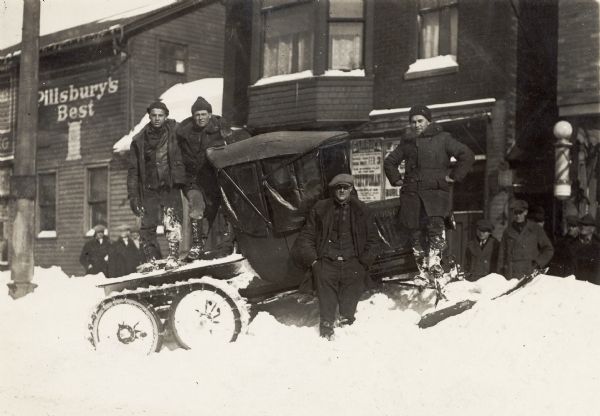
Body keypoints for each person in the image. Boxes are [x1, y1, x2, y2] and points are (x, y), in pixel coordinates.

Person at [383, 104, 474, 282]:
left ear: (429, 121)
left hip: (435, 196)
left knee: (435, 230)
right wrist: (397, 180)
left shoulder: (444, 139)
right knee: (415, 234)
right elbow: (389, 162)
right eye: (413, 122)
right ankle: (423, 270)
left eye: (420, 121)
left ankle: (436, 266)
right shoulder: (407, 143)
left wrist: (454, 176)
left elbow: (467, 155)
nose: (416, 125)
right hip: (412, 197)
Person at [292, 173, 381, 340]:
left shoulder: (362, 210)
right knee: (326, 299)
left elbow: (373, 240)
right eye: (338, 188)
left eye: (345, 187)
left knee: (349, 305)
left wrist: (363, 263)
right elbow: (306, 237)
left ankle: (347, 328)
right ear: (333, 190)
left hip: (353, 262)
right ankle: (326, 330)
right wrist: (314, 261)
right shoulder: (320, 208)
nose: (342, 190)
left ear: (351, 189)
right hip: (326, 262)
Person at [127, 101, 186, 271]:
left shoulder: (176, 131)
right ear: (149, 116)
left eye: (161, 115)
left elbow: (194, 129)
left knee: (172, 221)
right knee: (147, 225)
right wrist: (133, 196)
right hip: (149, 189)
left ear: (166, 116)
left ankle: (173, 257)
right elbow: (133, 171)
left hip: (169, 186)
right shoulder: (139, 140)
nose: (157, 118)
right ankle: (150, 260)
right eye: (154, 115)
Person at [176, 96, 232, 260]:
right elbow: (176, 156)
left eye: (203, 114)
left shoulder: (220, 129)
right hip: (193, 181)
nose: (200, 118)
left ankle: (229, 242)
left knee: (216, 212)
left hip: (215, 181)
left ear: (209, 114)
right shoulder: (184, 133)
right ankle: (196, 246)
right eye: (197, 115)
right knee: (197, 206)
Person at [498, 199, 554, 280]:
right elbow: (501, 254)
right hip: (511, 273)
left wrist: (538, 263)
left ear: (525, 212)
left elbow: (548, 249)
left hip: (529, 271)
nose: (518, 216)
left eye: (520, 212)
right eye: (515, 213)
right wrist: (500, 275)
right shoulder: (508, 231)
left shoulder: (535, 229)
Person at [566, 214, 600, 283]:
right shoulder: (571, 243)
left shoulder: (598, 245)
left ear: (593, 229)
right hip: (575, 282)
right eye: (581, 224)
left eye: (586, 225)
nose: (582, 226)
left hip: (592, 283)